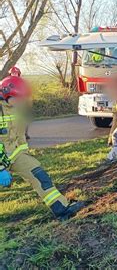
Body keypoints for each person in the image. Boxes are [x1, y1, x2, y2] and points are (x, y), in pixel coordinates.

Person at [0, 75, 84, 220]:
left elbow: (20, 137)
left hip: (15, 156)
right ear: (6, 94)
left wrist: (25, 155)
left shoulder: (16, 110)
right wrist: (1, 168)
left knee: (40, 176)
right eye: (19, 98)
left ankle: (62, 210)